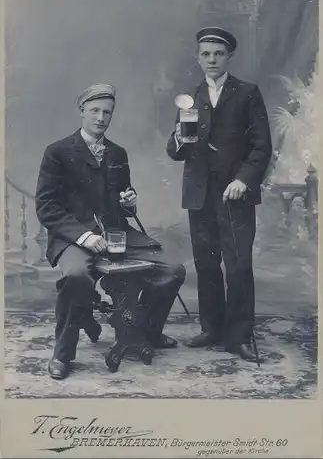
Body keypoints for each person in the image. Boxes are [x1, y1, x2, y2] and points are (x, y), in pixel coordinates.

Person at [36, 84, 186, 380]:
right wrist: (83, 237)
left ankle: (147, 332)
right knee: (77, 275)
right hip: (74, 237)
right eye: (95, 111)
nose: (101, 117)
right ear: (82, 112)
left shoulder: (118, 152)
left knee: (173, 269)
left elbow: (122, 204)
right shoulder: (57, 152)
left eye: (107, 112)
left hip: (118, 234)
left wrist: (129, 202)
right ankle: (63, 353)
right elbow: (46, 206)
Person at [166, 27, 272, 362]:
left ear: (229, 57)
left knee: (238, 265)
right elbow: (175, 150)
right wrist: (179, 140)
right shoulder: (190, 97)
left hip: (234, 194)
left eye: (218, 54)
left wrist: (243, 179)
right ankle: (211, 328)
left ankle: (238, 336)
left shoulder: (247, 93)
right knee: (206, 263)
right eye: (206, 54)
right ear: (198, 58)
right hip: (199, 194)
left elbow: (262, 147)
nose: (212, 60)